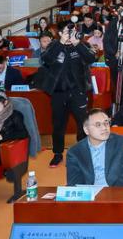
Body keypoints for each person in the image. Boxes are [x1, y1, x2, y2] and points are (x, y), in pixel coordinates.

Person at [38, 25, 96, 166]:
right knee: (58, 125)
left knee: (83, 124)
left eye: (72, 32)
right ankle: (57, 154)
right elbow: (47, 59)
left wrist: (77, 43)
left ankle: (83, 153)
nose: (69, 34)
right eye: (66, 32)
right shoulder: (53, 46)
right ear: (60, 33)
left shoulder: (81, 45)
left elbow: (90, 58)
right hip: (58, 93)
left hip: (77, 92)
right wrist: (61, 42)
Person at [66, 109, 123, 188]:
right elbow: (74, 183)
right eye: (98, 125)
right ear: (86, 130)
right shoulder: (74, 152)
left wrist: (111, 193)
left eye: (106, 123)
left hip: (114, 191)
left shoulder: (121, 142)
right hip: (89, 193)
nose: (104, 128)